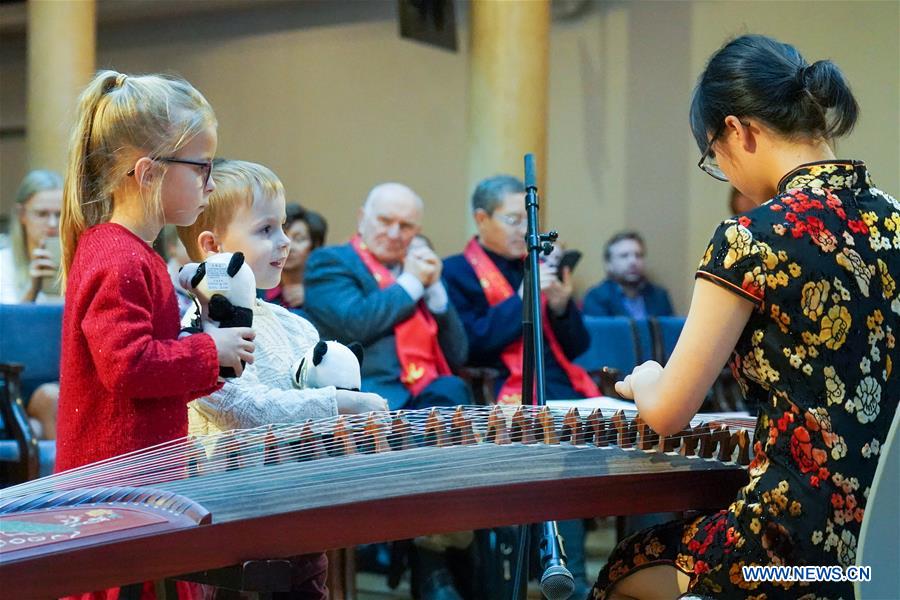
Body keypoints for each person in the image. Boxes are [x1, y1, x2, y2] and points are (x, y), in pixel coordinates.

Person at [590, 34, 899, 600]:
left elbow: (667, 411)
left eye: (715, 157)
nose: (725, 171)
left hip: (791, 556)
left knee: (626, 567)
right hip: (884, 553)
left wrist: (645, 378)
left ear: (738, 130)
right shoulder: (894, 222)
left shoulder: (752, 238)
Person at [55, 70, 255, 600]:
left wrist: (210, 354)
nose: (210, 183)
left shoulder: (133, 254)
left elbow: (149, 370)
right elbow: (128, 367)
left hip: (141, 478)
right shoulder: (117, 255)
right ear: (147, 172)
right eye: (202, 168)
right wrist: (209, 351)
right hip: (114, 491)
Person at [177, 159, 387, 599]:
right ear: (213, 246)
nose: (285, 242)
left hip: (295, 506)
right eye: (265, 230)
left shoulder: (296, 326)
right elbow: (240, 408)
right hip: (226, 510)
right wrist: (337, 403)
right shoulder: (200, 325)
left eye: (284, 227)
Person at [304, 182, 470, 599]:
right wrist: (412, 284)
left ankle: (427, 558)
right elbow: (353, 323)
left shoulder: (419, 272)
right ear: (362, 218)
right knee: (438, 448)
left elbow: (459, 352)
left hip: (425, 397)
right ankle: (432, 569)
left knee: (453, 391)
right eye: (385, 221)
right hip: (370, 400)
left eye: (407, 225)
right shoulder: (330, 263)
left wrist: (435, 294)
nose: (396, 233)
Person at [442, 174, 597, 598]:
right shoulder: (456, 272)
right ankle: (571, 580)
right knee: (558, 447)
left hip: (567, 384)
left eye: (525, 222)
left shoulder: (536, 262)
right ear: (481, 218)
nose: (523, 231)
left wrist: (562, 305)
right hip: (509, 392)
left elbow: (579, 345)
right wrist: (527, 294)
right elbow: (472, 344)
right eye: (512, 220)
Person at [1, 170, 64, 304]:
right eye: (42, 214)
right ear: (22, 214)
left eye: (59, 214)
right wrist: (33, 290)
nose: (53, 223)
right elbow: (8, 323)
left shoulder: (79, 261)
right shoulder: (4, 264)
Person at [582, 231, 674, 319]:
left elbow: (672, 333)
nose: (633, 262)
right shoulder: (596, 298)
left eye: (638, 255)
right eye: (624, 256)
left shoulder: (659, 296)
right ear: (609, 264)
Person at [263, 202, 327, 310]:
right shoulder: (258, 288)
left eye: (299, 239)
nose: (288, 246)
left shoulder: (328, 289)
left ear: (315, 245)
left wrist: (312, 299)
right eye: (282, 236)